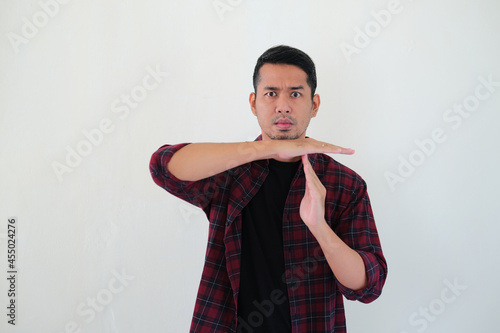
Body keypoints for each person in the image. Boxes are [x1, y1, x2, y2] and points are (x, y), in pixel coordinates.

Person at [150, 45, 387, 332]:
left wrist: (320, 227)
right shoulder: (228, 171)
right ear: (253, 103)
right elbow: (163, 166)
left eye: (295, 94)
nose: (283, 105)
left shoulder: (344, 184)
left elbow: (367, 285)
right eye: (271, 93)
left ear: (314, 105)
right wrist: (269, 147)